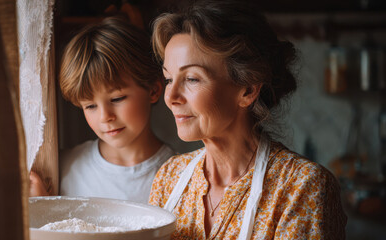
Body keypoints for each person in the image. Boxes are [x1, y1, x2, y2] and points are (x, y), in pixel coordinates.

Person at [148, 0, 347, 239]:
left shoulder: (302, 187)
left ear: (248, 90)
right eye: (169, 79)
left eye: (192, 79)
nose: (170, 97)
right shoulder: (169, 177)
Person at [29, 17, 175, 204]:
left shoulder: (180, 176)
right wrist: (41, 210)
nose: (106, 117)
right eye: (90, 106)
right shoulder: (62, 168)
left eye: (117, 99)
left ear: (153, 90)